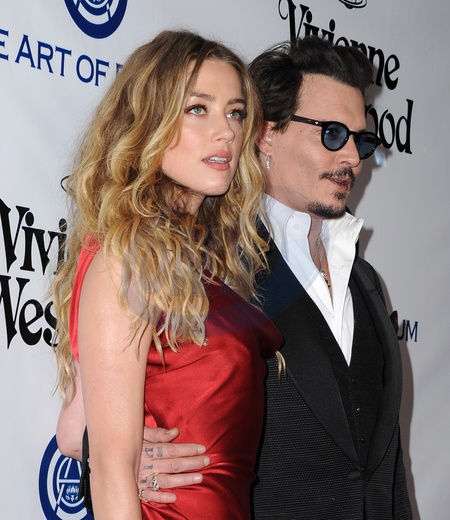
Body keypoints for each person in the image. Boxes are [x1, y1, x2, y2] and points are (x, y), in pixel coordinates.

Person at [136, 35, 413, 519]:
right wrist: (121, 454)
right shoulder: (208, 266)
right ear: (266, 135)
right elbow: (100, 409)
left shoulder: (366, 282)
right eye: (332, 134)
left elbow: (382, 470)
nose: (352, 157)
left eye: (361, 140)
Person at [53, 29, 283, 519]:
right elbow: (110, 470)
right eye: (198, 108)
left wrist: (86, 435)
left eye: (235, 112)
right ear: (148, 122)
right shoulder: (126, 259)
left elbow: (78, 427)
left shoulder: (203, 264)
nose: (226, 131)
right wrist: (105, 452)